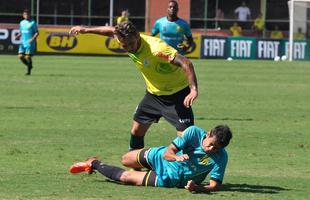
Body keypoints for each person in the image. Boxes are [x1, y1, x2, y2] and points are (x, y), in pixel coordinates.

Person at [69, 21, 198, 151]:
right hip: (154, 95)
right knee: (136, 130)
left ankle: (193, 166)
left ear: (137, 36)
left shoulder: (157, 49)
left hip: (178, 95)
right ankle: (135, 166)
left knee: (186, 138)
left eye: (131, 44)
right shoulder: (123, 38)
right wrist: (85, 30)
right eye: (124, 45)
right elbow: (109, 30)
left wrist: (193, 90)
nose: (129, 48)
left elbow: (186, 63)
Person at [69, 124, 233, 193]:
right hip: (160, 157)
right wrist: (176, 157)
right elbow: (167, 153)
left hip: (169, 178)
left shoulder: (221, 157)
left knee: (126, 177)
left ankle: (94, 163)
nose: (211, 149)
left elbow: (214, 185)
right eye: (211, 144)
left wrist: (198, 188)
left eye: (216, 148)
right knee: (125, 160)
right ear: (209, 133)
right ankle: (146, 167)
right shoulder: (193, 132)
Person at [15, 9, 39, 75]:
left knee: (27, 57)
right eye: (25, 14)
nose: (27, 15)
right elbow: (21, 32)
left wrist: (32, 39)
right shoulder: (21, 22)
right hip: (23, 42)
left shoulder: (33, 22)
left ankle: (28, 72)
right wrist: (18, 36)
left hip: (30, 42)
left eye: (28, 14)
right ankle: (29, 66)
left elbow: (37, 33)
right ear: (23, 15)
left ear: (29, 15)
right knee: (20, 56)